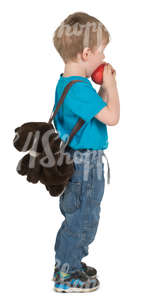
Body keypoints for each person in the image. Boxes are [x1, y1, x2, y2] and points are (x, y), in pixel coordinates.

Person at [51, 11, 120, 293]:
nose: (103, 58)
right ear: (86, 53)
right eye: (101, 51)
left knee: (76, 215)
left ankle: (68, 262)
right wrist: (112, 86)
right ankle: (66, 275)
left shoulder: (68, 83)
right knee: (84, 218)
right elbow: (112, 116)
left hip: (76, 160)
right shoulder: (79, 89)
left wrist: (103, 89)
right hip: (85, 164)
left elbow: (97, 113)